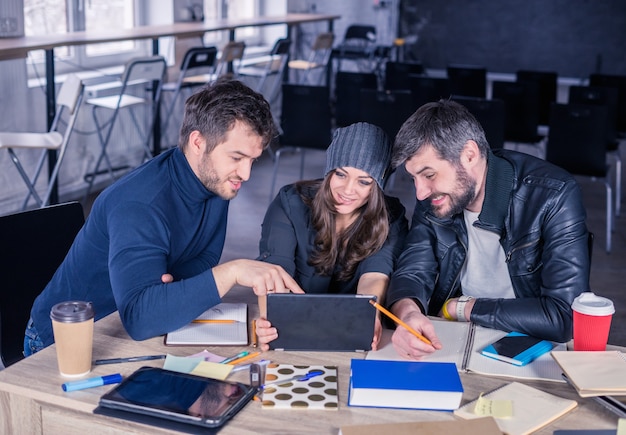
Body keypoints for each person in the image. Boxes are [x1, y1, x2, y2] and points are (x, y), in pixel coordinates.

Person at [25, 78, 303, 355]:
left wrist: (164, 297)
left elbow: (204, 259)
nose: (246, 174)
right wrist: (232, 271)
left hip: (127, 329)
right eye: (237, 158)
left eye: (252, 160)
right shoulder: (140, 205)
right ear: (198, 142)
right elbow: (141, 317)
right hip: (66, 339)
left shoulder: (215, 180)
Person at [386, 99, 590, 359]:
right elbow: (413, 270)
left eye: (429, 175)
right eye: (413, 178)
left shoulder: (555, 195)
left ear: (469, 155)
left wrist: (464, 308)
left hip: (532, 346)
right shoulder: (434, 196)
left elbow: (563, 315)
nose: (420, 191)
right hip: (456, 338)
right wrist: (408, 313)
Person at [255, 122, 409, 351]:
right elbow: (274, 273)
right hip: (293, 325)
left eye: (364, 181)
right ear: (329, 171)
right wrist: (268, 320)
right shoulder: (290, 203)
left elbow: (375, 275)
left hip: (353, 330)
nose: (348, 190)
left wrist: (368, 317)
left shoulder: (391, 216)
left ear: (377, 185)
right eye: (341, 174)